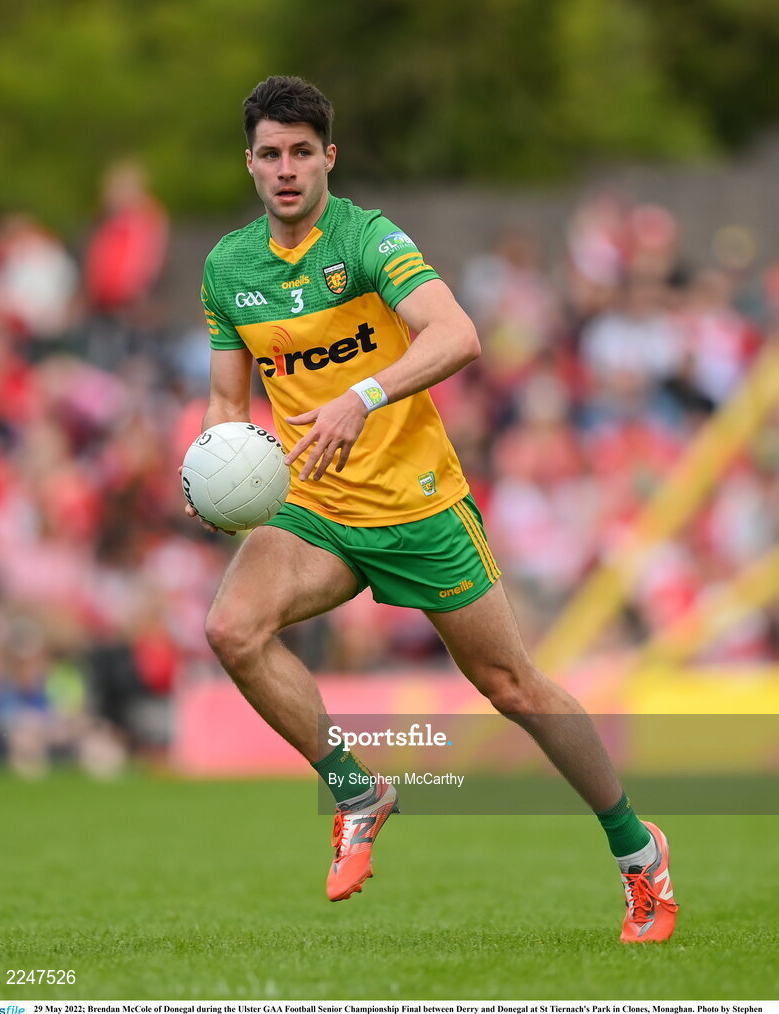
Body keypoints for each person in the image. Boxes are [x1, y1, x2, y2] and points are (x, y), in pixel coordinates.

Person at [191, 75, 678, 942]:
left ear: (328, 157)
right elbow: (229, 401)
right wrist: (217, 467)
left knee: (511, 685)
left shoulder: (367, 238)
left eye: (303, 151)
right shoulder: (228, 268)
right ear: (251, 164)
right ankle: (356, 791)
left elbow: (457, 334)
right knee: (231, 628)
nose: (286, 168)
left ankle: (639, 853)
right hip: (312, 509)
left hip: (417, 504)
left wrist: (362, 396)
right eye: (270, 153)